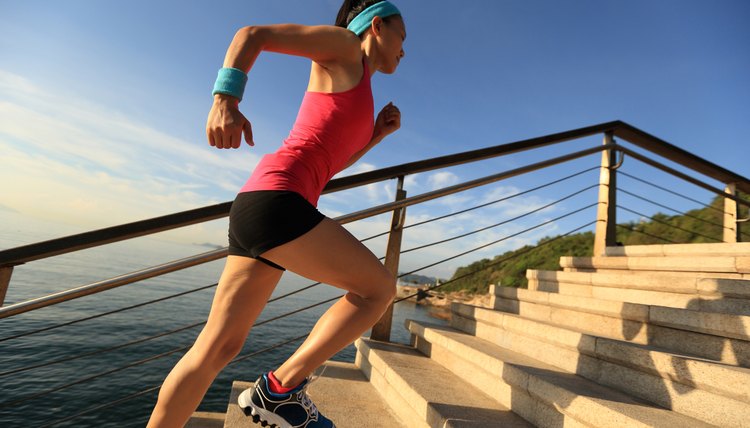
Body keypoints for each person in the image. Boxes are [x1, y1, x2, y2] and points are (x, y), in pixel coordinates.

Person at [146, 1, 406, 427]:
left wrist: (376, 135)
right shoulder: (344, 48)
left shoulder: (359, 85)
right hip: (278, 202)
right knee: (377, 291)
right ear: (376, 25)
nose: (404, 50)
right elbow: (252, 34)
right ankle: (279, 389)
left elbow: (327, 164)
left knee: (217, 347)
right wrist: (224, 99)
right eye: (403, 37)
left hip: (264, 203)